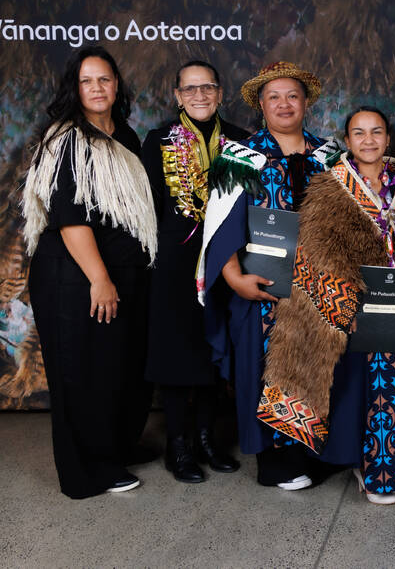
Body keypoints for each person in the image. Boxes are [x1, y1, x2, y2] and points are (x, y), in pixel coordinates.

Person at [263, 106, 395, 503]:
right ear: (347, 141)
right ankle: (369, 468)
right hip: (353, 311)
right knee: (362, 392)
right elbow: (314, 261)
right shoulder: (327, 189)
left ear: (387, 138)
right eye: (359, 133)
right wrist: (348, 304)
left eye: (376, 132)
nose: (368, 140)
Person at [197, 61, 341, 490]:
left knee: (318, 364)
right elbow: (220, 225)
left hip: (319, 286)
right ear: (261, 104)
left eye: (292, 96)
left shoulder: (331, 153)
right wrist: (235, 277)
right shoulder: (239, 156)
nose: (283, 103)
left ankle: (313, 450)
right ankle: (276, 462)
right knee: (267, 367)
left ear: (306, 103)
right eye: (274, 96)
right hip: (262, 285)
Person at [22, 45, 157, 498]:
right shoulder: (68, 140)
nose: (97, 88)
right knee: (83, 373)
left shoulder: (126, 135)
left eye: (104, 79)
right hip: (74, 275)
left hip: (119, 270)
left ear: (117, 85)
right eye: (87, 81)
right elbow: (70, 217)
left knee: (116, 367)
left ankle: (113, 446)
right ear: (74, 89)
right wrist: (99, 278)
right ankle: (89, 470)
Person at [141, 60, 248, 483]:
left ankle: (207, 437)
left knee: (212, 348)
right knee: (175, 351)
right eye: (190, 89)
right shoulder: (158, 140)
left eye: (208, 88)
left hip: (225, 261)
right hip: (173, 264)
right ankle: (178, 444)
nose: (199, 96)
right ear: (177, 96)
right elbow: (147, 208)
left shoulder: (240, 141)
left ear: (221, 93)